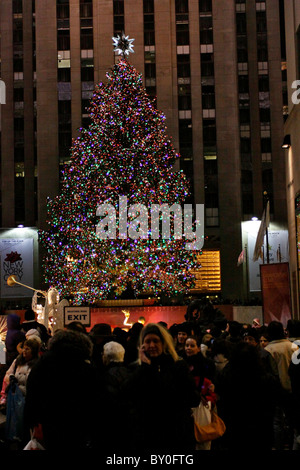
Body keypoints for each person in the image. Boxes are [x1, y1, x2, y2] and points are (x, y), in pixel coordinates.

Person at [121, 323, 200, 452]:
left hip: (175, 435)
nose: (151, 345)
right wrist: (144, 368)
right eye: (147, 341)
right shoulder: (136, 369)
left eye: (155, 341)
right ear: (142, 345)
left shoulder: (178, 367)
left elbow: (192, 398)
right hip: (146, 435)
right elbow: (126, 393)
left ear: (164, 343)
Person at [24, 330, 103, 450]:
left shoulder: (43, 363)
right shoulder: (85, 366)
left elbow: (32, 392)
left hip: (48, 422)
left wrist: (32, 419)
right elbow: (95, 399)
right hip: (78, 424)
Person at [213, 341, 275, 450]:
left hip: (233, 427)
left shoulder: (226, 375)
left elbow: (220, 398)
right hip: (260, 427)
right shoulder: (265, 378)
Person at [265, 320, 298, 450]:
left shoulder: (268, 350)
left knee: (277, 421)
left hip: (277, 390)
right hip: (294, 388)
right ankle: (291, 443)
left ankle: (279, 446)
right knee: (293, 419)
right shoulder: (294, 346)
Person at [2, 338, 40, 448]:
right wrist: (11, 379)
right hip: (14, 397)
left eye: (27, 349)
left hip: (27, 399)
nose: (24, 351)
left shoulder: (36, 365)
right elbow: (8, 374)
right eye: (23, 348)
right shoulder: (17, 361)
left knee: (24, 423)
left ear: (33, 351)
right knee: (14, 421)